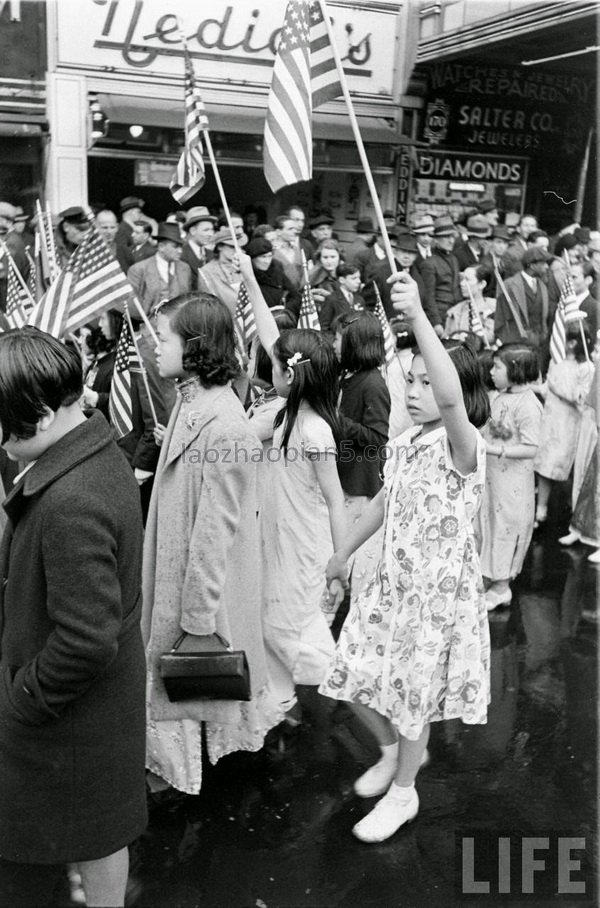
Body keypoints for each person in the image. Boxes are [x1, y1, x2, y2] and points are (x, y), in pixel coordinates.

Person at [321, 272, 491, 843]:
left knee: (412, 696)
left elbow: (448, 397)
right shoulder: (408, 442)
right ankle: (394, 754)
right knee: (349, 675)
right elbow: (385, 505)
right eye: (410, 380)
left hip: (434, 601)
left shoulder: (462, 446)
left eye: (425, 381)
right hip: (391, 586)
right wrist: (342, 552)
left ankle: (404, 792)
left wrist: (418, 317)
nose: (415, 391)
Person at [0, 328, 146, 906]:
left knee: (58, 842)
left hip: (68, 714)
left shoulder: (72, 499)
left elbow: (85, 640)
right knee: (99, 827)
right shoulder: (91, 451)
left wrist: (20, 702)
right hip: (96, 707)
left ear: (37, 411)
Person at [142, 292, 281, 795]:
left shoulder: (225, 426)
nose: (154, 346)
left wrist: (197, 622)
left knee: (192, 689)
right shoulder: (190, 399)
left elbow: (214, 536)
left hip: (200, 599)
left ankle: (182, 784)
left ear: (196, 345)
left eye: (165, 337)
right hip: (175, 576)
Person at [238, 252, 347, 728]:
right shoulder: (282, 411)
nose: (270, 368)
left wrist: (341, 560)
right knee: (269, 618)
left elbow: (335, 498)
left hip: (303, 543)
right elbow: (270, 337)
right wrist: (247, 277)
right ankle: (279, 699)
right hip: (274, 533)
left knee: (291, 627)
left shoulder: (315, 430)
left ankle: (359, 703)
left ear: (292, 375)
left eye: (278, 366)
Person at [329, 311, 390, 620]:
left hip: (359, 483)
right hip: (340, 476)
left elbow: (378, 439)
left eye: (339, 337)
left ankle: (358, 617)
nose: (334, 343)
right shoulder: (346, 377)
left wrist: (339, 421)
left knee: (355, 556)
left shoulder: (373, 384)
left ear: (356, 342)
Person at [476, 344, 542, 610]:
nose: (491, 372)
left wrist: (495, 449)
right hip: (492, 479)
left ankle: (502, 586)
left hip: (513, 484)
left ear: (515, 371)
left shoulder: (529, 406)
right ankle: (487, 575)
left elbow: (532, 447)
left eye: (497, 367)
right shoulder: (500, 397)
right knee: (488, 524)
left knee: (507, 528)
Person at [534, 328, 594, 526]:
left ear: (571, 343)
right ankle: (541, 510)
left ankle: (573, 508)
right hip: (552, 422)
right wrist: (527, 386)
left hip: (571, 424)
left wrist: (557, 388)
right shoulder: (555, 363)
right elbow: (545, 390)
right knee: (546, 465)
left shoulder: (586, 368)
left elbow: (582, 398)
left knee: (570, 468)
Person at [127, 222, 193, 317]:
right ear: (161, 247)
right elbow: (132, 307)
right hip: (149, 327)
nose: (180, 251)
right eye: (175, 247)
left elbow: (187, 301)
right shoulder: (138, 269)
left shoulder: (185, 268)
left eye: (181, 246)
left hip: (179, 326)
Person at [494, 247, 550, 348]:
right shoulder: (509, 285)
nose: (547, 267)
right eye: (543, 263)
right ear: (532, 265)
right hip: (515, 343)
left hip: (538, 343)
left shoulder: (542, 286)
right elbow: (500, 318)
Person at [421, 215, 461, 336]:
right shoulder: (429, 263)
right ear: (436, 239)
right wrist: (436, 322)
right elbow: (428, 296)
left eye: (452, 236)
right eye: (446, 237)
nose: (451, 241)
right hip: (439, 316)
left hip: (455, 315)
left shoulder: (454, 259)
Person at [81, 308, 123, 419]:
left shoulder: (113, 364)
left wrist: (95, 398)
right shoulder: (94, 365)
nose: (80, 341)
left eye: (83, 336)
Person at [247, 237, 301, 318]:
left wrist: (285, 309)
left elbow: (294, 295)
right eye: (263, 257)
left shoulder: (276, 269)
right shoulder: (246, 274)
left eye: (269, 256)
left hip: (281, 316)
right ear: (252, 258)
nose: (267, 261)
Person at [445, 264, 495, 345]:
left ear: (482, 284)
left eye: (467, 280)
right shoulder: (454, 312)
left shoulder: (494, 308)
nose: (462, 283)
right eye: (462, 279)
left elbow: (494, 336)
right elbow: (445, 340)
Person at [198, 227, 241, 314]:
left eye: (238, 246)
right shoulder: (206, 271)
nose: (236, 250)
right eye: (231, 247)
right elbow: (207, 305)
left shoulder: (242, 266)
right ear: (220, 247)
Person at [318, 263, 365, 336]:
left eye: (359, 278)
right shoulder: (331, 299)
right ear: (342, 280)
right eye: (354, 278)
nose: (358, 281)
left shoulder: (359, 299)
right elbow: (324, 327)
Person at [181, 206, 217, 280]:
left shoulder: (211, 255)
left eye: (212, 229)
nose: (211, 234)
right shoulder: (181, 255)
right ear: (193, 231)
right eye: (206, 230)